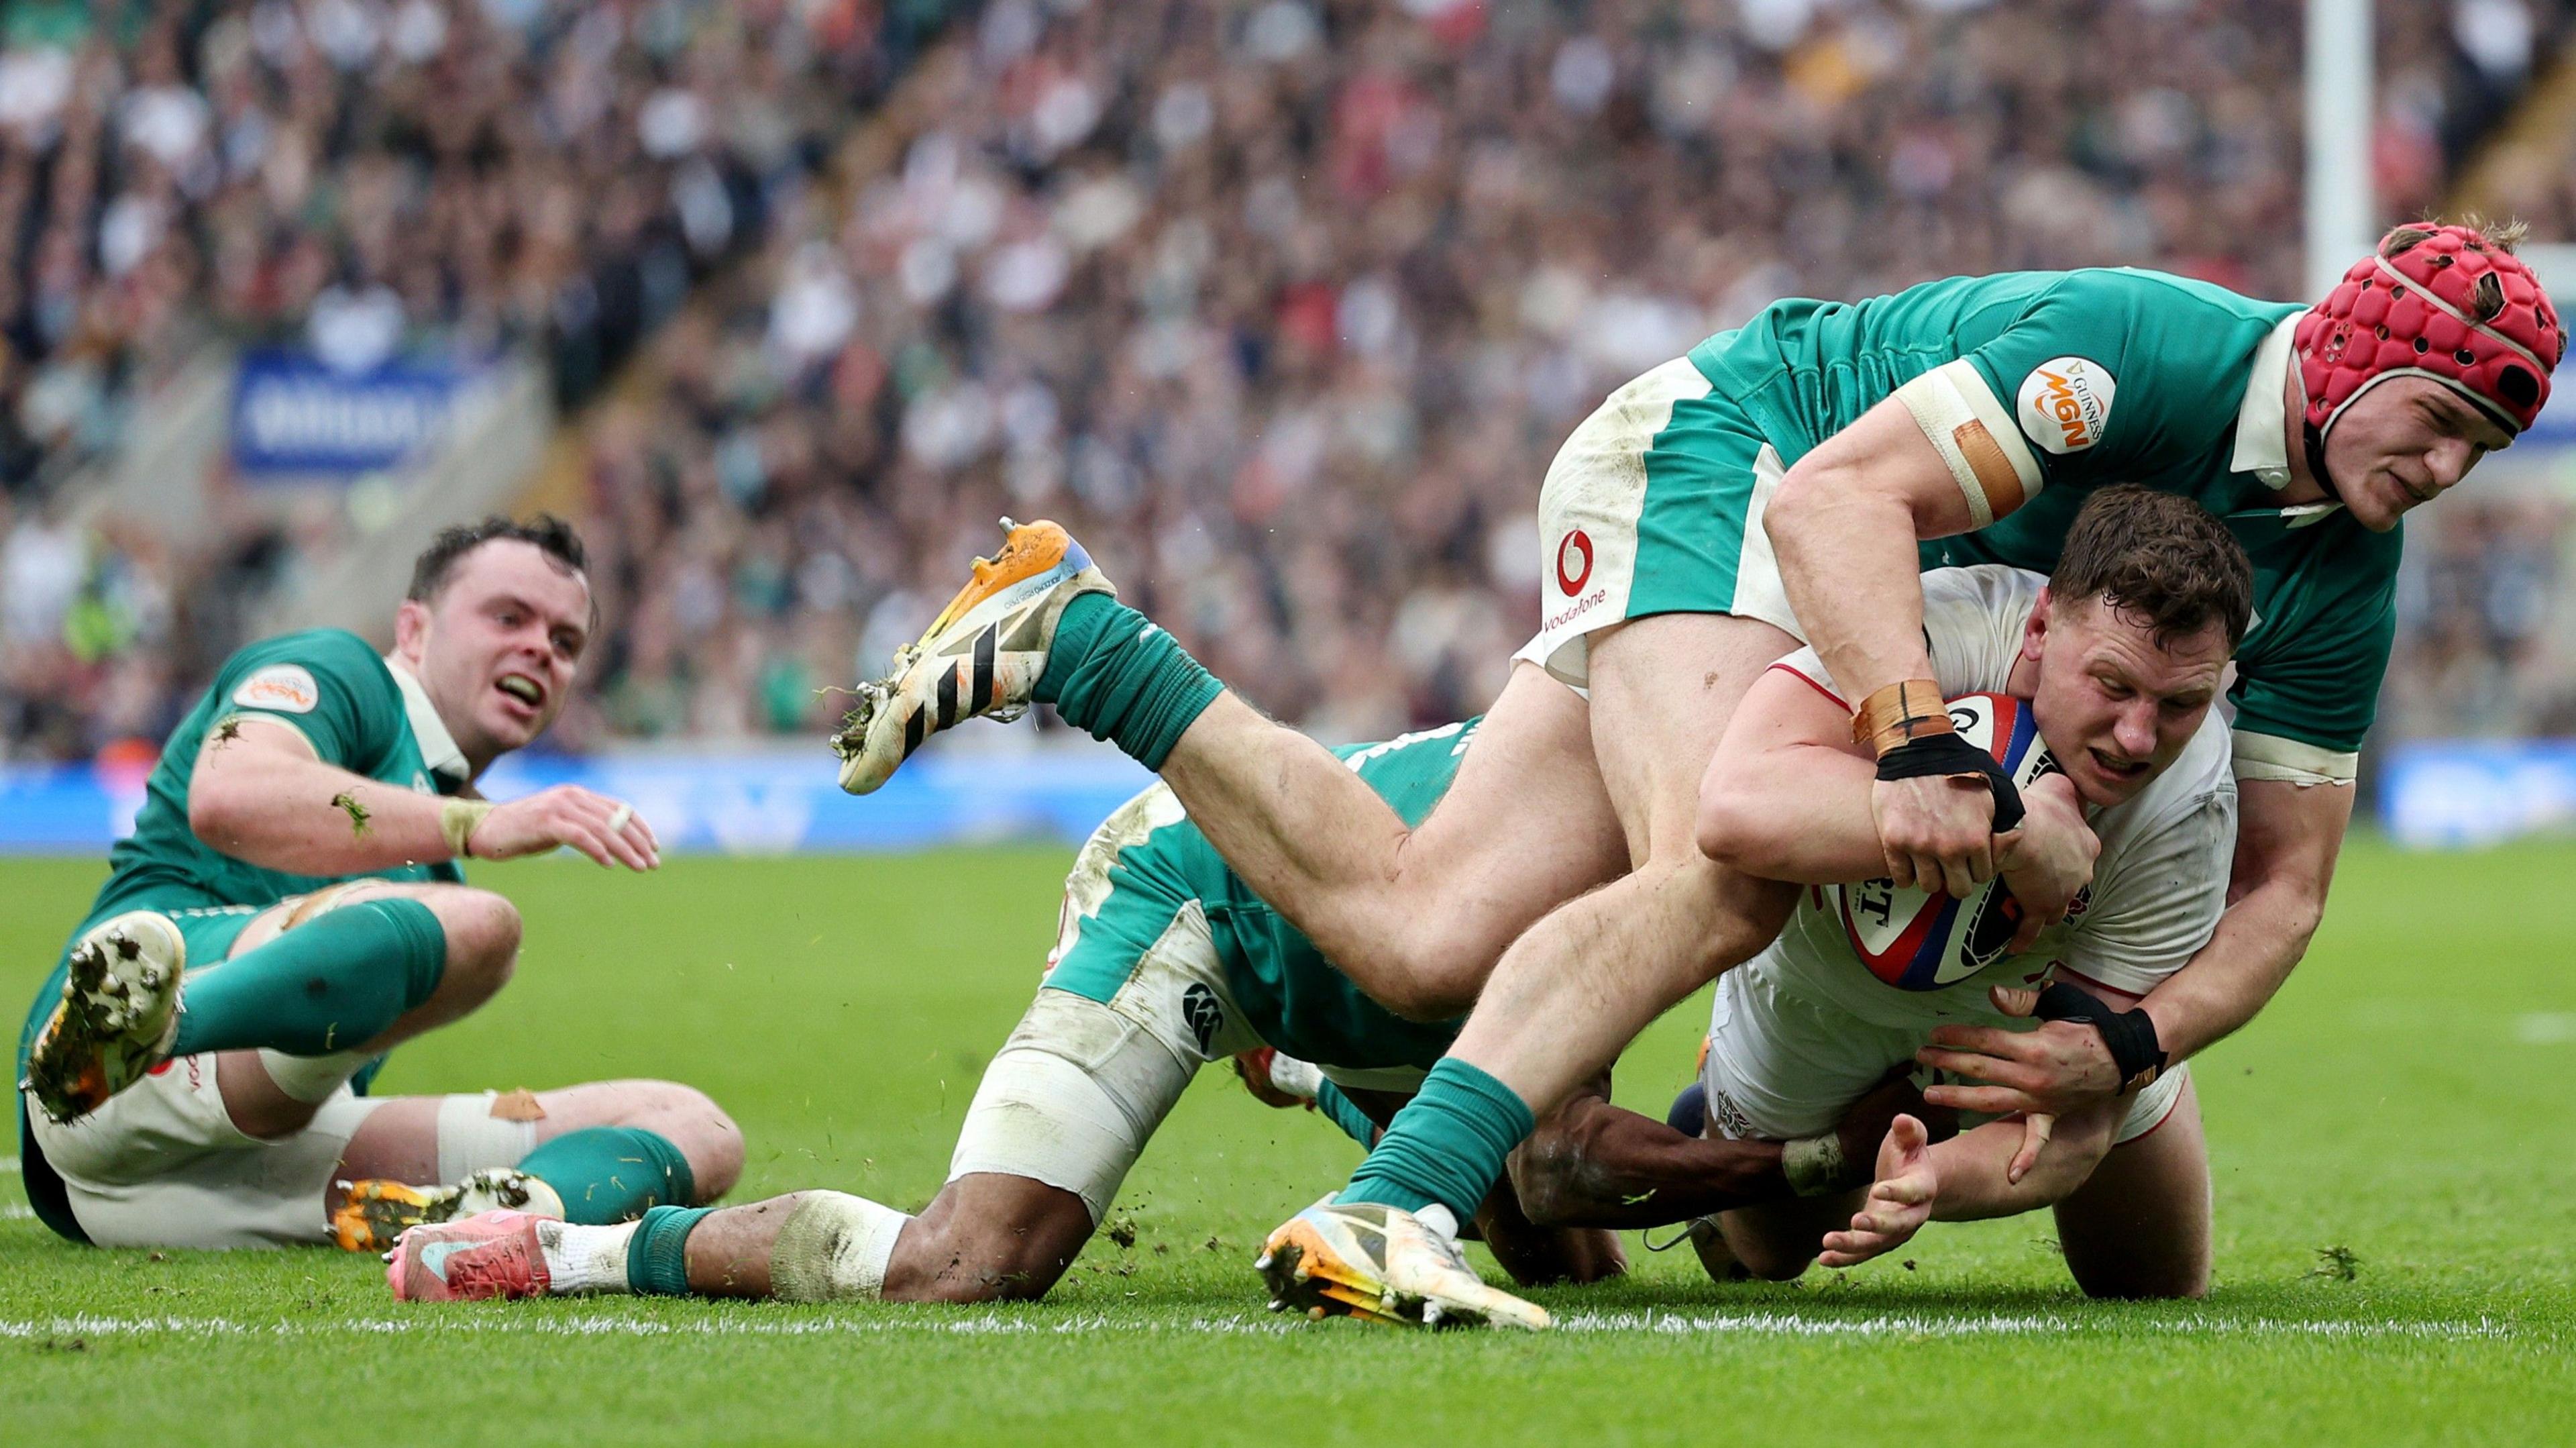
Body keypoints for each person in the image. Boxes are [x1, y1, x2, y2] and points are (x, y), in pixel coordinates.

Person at [824, 221, 2559, 1323]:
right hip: (1729, 458)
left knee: (1427, 942)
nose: (2449, 465)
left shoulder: (2343, 557)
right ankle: (1391, 1201)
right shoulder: (2138, 352)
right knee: (1725, 871)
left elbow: (2288, 886)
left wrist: (2125, 1039)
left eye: (2484, 447)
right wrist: (1926, 746)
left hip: (1784, 573)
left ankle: (1079, 637)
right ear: (2352, 353)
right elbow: (1828, 506)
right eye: (2438, 417)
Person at [384, 714, 1913, 1324]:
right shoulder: (1664, 816)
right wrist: (1787, 1170)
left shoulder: (1669, 764)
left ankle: (1339, 1087)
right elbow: (1572, 1150)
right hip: (1195, 899)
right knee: (970, 1265)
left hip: (1370, 985)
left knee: (1552, 1259)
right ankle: (567, 1245)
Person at [16, 517, 742, 1251]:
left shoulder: (428, 852)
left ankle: (499, 1216)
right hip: (105, 1088)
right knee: (481, 928)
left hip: (231, 1170)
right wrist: (469, 824)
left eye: (566, 643)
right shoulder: (343, 673)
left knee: (696, 1126)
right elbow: (228, 793)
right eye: (509, 616)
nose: (540, 650)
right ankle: (140, 1027)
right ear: (414, 629)